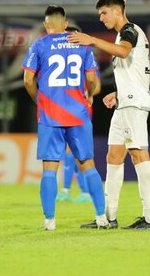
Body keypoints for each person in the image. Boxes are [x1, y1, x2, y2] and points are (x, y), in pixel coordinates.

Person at [67, 0, 150, 230]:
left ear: (117, 10)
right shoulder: (123, 35)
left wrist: (92, 40)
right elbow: (145, 71)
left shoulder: (129, 31)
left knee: (138, 154)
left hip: (133, 105)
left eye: (104, 13)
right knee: (113, 157)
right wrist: (118, 93)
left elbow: (125, 52)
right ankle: (108, 217)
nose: (101, 18)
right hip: (125, 102)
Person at [22, 5, 109, 230]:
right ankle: (101, 217)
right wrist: (89, 94)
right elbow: (92, 79)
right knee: (87, 164)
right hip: (79, 114)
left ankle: (49, 221)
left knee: (50, 167)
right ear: (65, 22)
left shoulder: (39, 44)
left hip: (51, 113)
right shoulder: (81, 44)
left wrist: (38, 100)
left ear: (45, 24)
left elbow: (28, 80)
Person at [56, 25, 101, 204]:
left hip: (80, 109)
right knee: (70, 150)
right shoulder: (63, 57)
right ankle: (71, 190)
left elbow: (96, 86)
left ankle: (82, 191)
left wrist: (85, 94)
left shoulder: (86, 56)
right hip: (64, 109)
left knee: (77, 151)